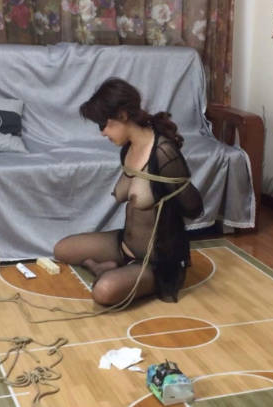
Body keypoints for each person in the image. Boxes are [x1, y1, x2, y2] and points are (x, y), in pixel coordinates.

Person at [54, 78, 203, 305]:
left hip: (157, 260)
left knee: (103, 292)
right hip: (125, 244)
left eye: (104, 124)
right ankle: (116, 267)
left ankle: (115, 272)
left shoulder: (163, 153)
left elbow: (195, 208)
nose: (102, 132)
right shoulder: (128, 149)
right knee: (62, 249)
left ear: (123, 115)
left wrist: (175, 188)